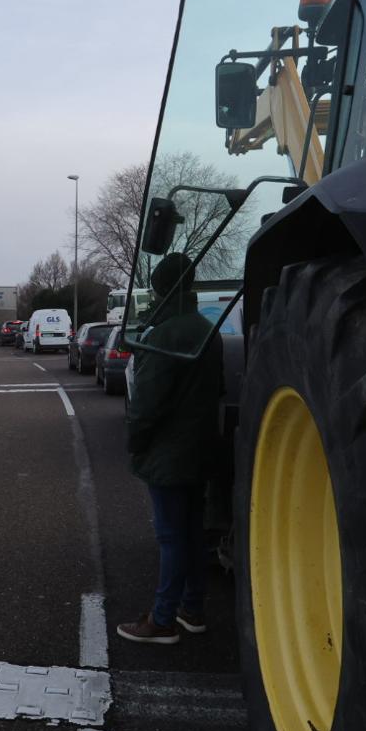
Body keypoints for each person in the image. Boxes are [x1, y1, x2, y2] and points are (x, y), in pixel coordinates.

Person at [116, 252, 224, 645]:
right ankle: (192, 609)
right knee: (193, 532)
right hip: (199, 448)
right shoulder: (205, 329)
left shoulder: (163, 334)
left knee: (171, 536)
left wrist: (135, 442)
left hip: (168, 454)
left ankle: (162, 619)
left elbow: (146, 404)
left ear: (162, 289)